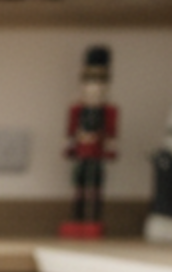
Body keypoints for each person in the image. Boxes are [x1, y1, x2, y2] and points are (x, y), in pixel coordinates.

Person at [61, 45, 116, 239]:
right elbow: (70, 131)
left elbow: (111, 134)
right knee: (80, 185)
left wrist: (109, 147)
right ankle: (77, 219)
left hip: (96, 153)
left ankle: (93, 219)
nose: (95, 88)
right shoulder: (77, 110)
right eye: (90, 82)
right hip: (82, 152)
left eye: (100, 83)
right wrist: (70, 145)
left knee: (95, 187)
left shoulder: (108, 111)